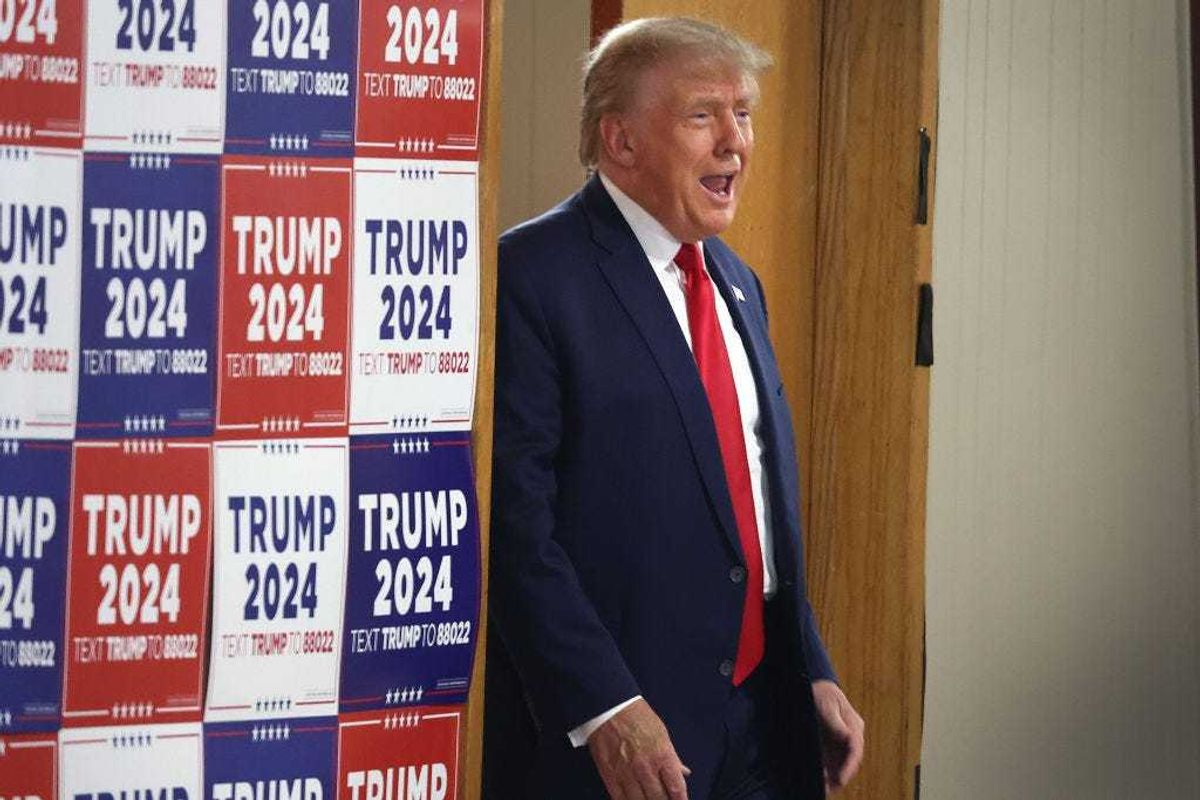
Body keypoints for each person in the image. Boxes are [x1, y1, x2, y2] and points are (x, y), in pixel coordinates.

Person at [484, 17, 865, 800]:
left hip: (765, 722)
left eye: (744, 113)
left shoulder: (736, 282)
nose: (736, 142)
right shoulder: (531, 276)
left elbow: (756, 509)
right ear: (619, 142)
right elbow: (515, 528)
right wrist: (604, 705)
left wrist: (811, 669)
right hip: (625, 736)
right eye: (703, 115)